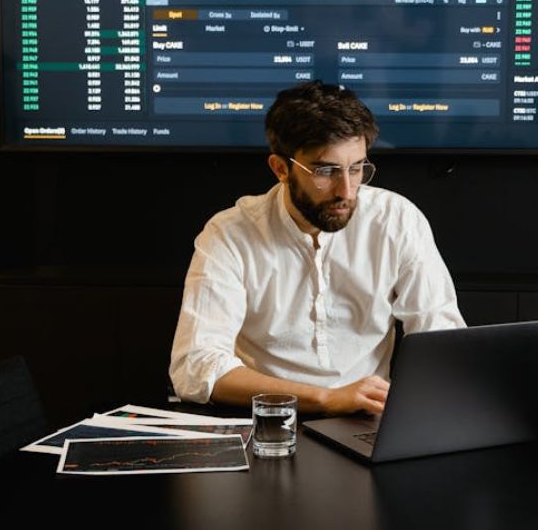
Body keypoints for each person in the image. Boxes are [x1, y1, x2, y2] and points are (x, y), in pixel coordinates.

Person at [169, 81, 465, 416]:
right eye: (326, 170)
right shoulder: (229, 234)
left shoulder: (396, 219)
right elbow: (195, 367)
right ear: (281, 169)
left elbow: (441, 342)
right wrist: (326, 398)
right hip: (266, 423)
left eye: (356, 168)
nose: (348, 191)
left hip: (368, 422)